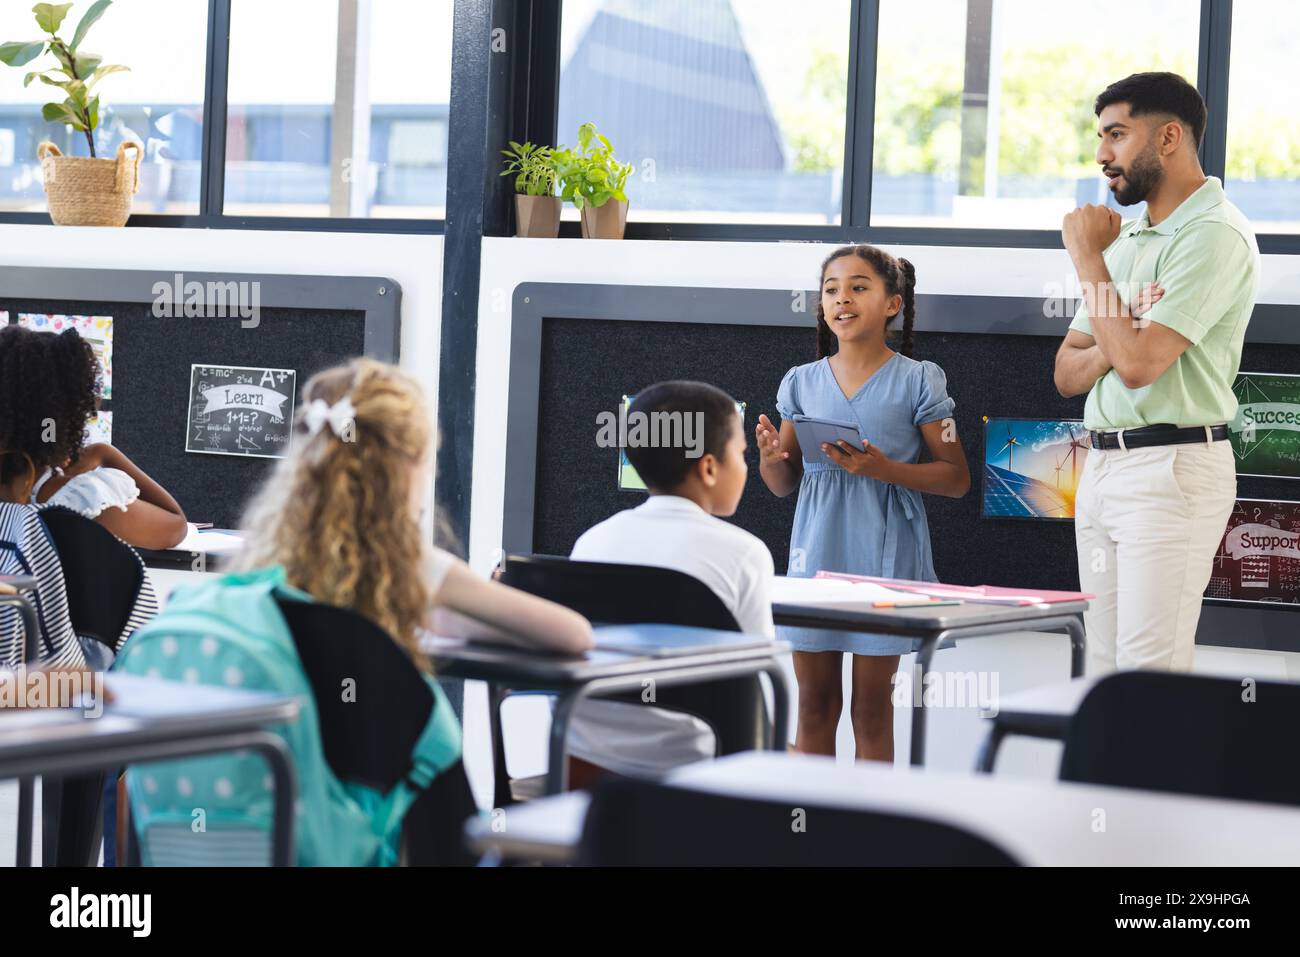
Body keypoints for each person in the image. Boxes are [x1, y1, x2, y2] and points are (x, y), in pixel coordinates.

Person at [1053, 72, 1260, 673]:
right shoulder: (1126, 236)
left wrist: (1087, 259)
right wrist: (1119, 332)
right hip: (1101, 468)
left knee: (1149, 679)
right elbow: (1068, 372)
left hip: (1171, 471)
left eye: (1117, 135)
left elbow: (1140, 365)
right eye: (1100, 137)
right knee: (1103, 673)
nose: (1102, 156)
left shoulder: (1213, 234)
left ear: (1169, 137)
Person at [756, 244, 969, 762]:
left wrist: (882, 469)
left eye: (858, 287)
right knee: (813, 705)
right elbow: (784, 483)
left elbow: (957, 478)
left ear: (892, 304)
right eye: (831, 289)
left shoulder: (921, 379)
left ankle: (865, 832)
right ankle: (810, 824)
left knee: (872, 709)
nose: (842, 299)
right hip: (816, 561)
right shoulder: (801, 382)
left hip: (887, 558)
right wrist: (768, 458)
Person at [565, 381, 775, 788]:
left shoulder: (591, 541)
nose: (746, 467)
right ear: (709, 467)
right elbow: (762, 681)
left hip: (583, 768)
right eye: (743, 455)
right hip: (698, 776)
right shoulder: (744, 553)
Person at [0, 324, 187, 550]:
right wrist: (103, 452)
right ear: (68, 411)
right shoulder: (81, 500)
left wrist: (50, 451)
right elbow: (175, 526)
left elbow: (44, 428)